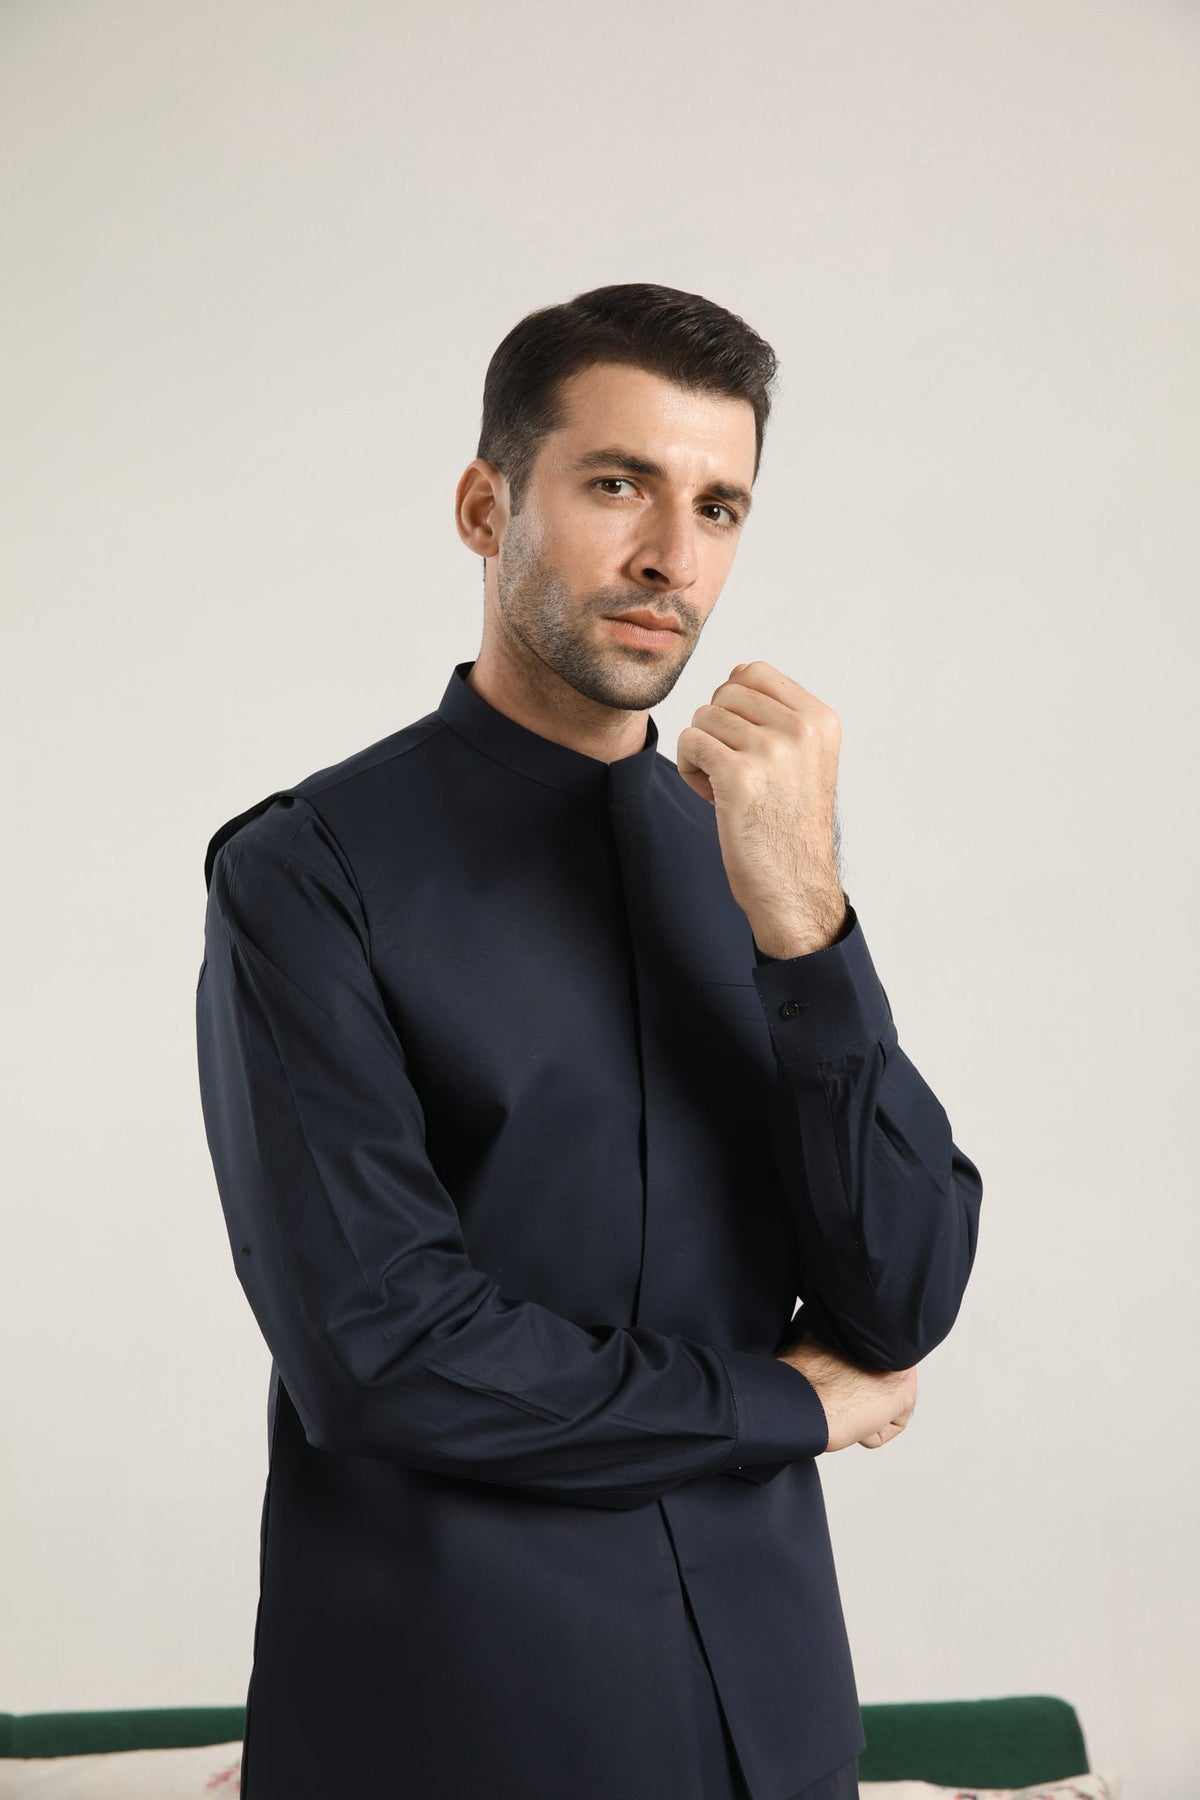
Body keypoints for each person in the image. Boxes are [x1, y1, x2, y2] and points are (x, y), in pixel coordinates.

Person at [195, 281, 983, 1800]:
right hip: (456, 1735)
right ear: (486, 507)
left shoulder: (760, 862)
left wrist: (807, 921)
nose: (672, 557)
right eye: (618, 485)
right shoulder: (307, 874)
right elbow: (386, 1353)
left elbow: (900, 1295)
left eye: (719, 506)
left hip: (779, 1732)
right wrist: (785, 1405)